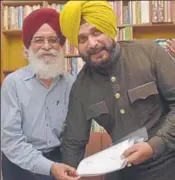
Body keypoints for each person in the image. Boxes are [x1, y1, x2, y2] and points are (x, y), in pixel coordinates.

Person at [59, 1, 175, 180]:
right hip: (125, 170)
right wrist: (69, 172)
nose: (92, 44)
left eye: (96, 32)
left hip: (169, 161)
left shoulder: (151, 54)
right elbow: (73, 142)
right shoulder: (81, 87)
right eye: (82, 39)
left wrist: (155, 145)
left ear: (109, 28)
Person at [1, 8, 79, 180]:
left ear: (61, 46)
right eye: (38, 40)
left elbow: (73, 132)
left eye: (53, 40)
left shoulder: (71, 83)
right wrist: (50, 168)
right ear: (27, 48)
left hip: (60, 160)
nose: (46, 46)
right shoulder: (13, 83)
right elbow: (11, 142)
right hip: (20, 165)